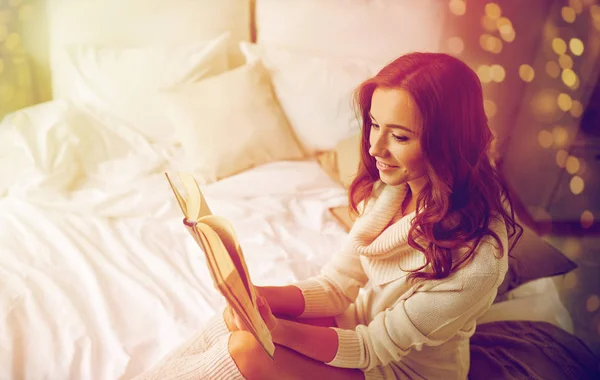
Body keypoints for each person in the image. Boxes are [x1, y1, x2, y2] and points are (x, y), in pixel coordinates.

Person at [136, 52, 521, 380]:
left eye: (399, 137)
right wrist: (255, 298)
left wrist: (276, 331)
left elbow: (375, 347)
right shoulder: (394, 189)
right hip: (359, 327)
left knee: (248, 349)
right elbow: (336, 287)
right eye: (373, 124)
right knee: (232, 319)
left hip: (400, 369)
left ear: (448, 142)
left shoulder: (479, 260)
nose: (374, 148)